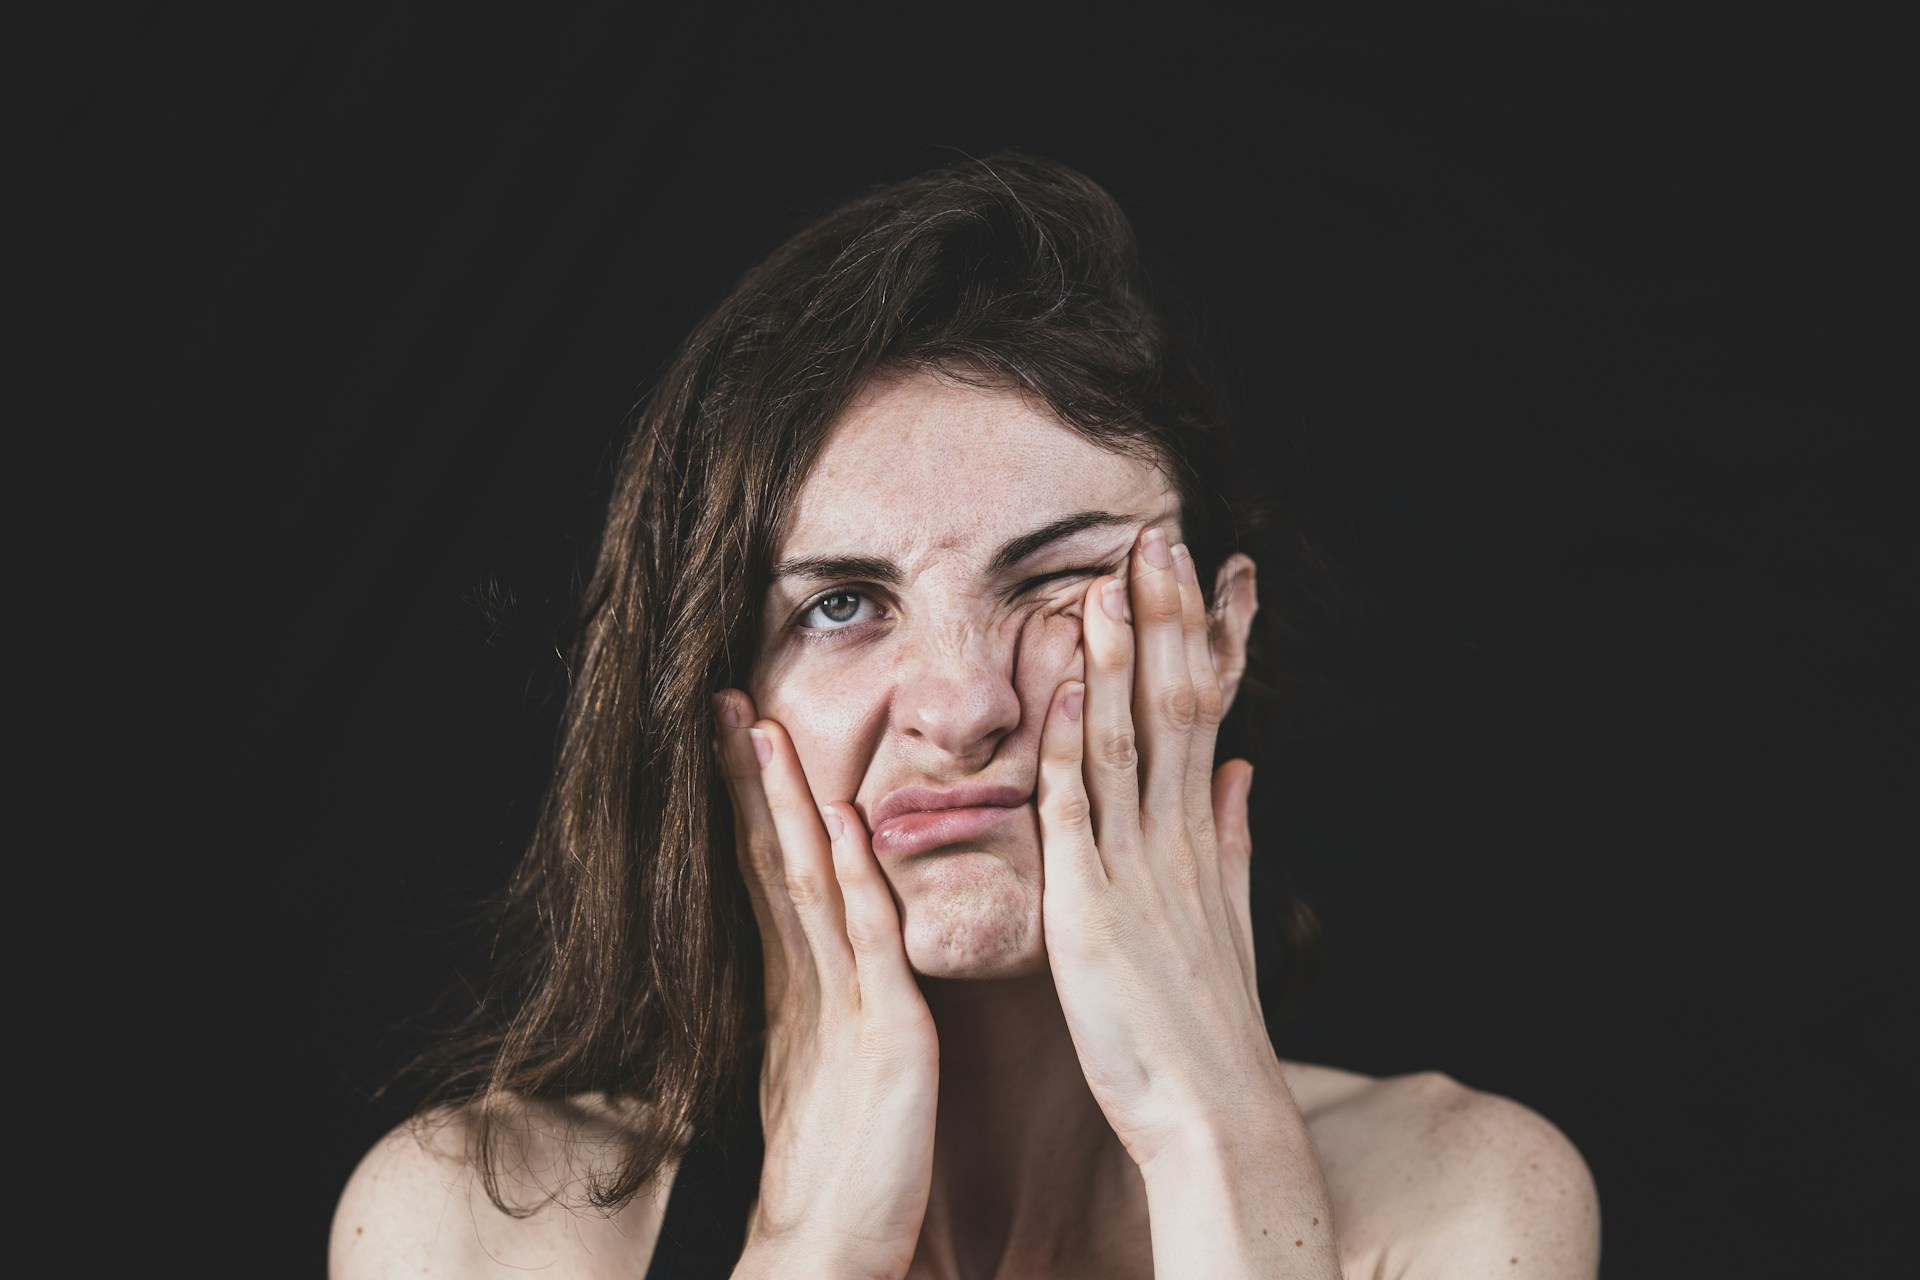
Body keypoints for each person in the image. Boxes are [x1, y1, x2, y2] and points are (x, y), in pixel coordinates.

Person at [329, 152, 1600, 1279]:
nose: (963, 706)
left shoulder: (1457, 1194)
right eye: (838, 604)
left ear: (1216, 641)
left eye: (1059, 584)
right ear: (720, 695)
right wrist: (816, 1243)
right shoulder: (486, 1223)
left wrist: (1218, 1139)